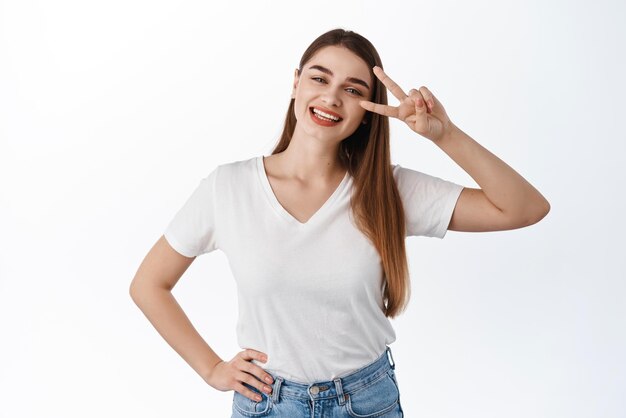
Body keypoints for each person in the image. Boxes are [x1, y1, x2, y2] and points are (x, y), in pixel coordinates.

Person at [129, 28, 550, 417]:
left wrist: (445, 135)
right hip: (267, 403)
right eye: (319, 78)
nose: (332, 98)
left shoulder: (389, 190)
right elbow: (148, 285)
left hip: (366, 401)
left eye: (353, 89)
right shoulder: (229, 187)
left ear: (368, 112)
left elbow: (523, 208)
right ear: (295, 82)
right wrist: (212, 369)